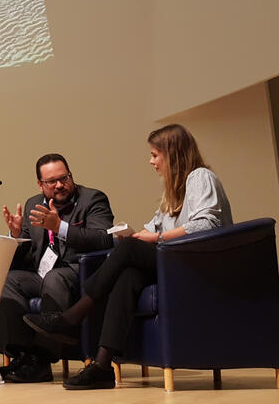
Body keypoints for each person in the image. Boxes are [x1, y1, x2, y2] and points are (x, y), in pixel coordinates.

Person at [24, 124, 232, 390]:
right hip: (175, 260)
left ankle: (73, 317)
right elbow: (153, 227)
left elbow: (207, 224)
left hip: (199, 261)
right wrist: (135, 234)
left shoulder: (200, 176)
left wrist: (153, 238)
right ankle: (102, 366)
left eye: (155, 155)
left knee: (130, 249)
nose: (151, 161)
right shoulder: (173, 191)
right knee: (128, 275)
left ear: (173, 154)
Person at [0, 154, 114, 383]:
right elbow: (27, 253)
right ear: (40, 184)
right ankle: (22, 356)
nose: (59, 185)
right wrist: (16, 235)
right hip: (41, 274)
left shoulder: (92, 199)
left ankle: (42, 359)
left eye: (64, 178)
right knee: (7, 281)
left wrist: (60, 227)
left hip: (77, 273)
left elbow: (103, 239)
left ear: (71, 175)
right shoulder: (33, 204)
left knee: (55, 278)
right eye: (51, 181)